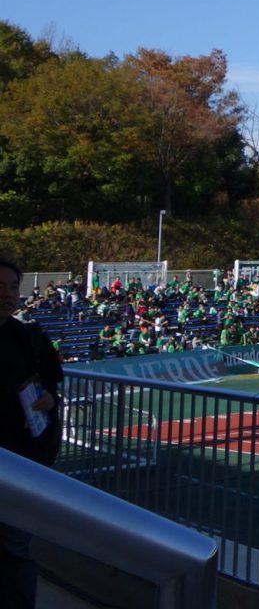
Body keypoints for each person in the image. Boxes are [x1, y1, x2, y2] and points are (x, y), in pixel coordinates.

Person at [1, 255, 63, 609]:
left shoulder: (30, 337)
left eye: (13, 287)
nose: (8, 295)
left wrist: (49, 399)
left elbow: (52, 384)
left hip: (20, 463)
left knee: (15, 548)